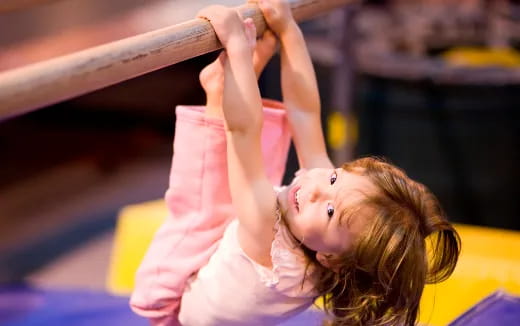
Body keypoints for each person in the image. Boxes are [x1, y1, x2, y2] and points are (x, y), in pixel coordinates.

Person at [131, 1, 461, 325]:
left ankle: (222, 91)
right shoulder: (325, 231)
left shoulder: (268, 242)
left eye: (331, 213)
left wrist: (237, 48)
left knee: (207, 204)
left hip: (175, 306)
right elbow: (304, 112)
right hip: (229, 274)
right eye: (334, 179)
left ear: (331, 260)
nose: (317, 192)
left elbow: (243, 131)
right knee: (265, 176)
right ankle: (222, 89)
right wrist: (289, 30)